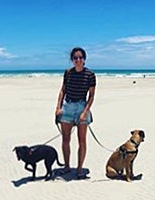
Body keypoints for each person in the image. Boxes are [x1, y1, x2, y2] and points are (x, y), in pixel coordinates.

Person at [55, 47, 96, 179]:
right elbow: (63, 90)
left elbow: (91, 97)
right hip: (67, 106)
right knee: (65, 139)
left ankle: (79, 169)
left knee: (82, 141)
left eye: (80, 58)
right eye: (75, 58)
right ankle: (67, 167)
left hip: (81, 106)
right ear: (72, 60)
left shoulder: (90, 75)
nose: (78, 60)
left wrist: (85, 112)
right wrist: (58, 107)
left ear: (84, 59)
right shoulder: (68, 73)